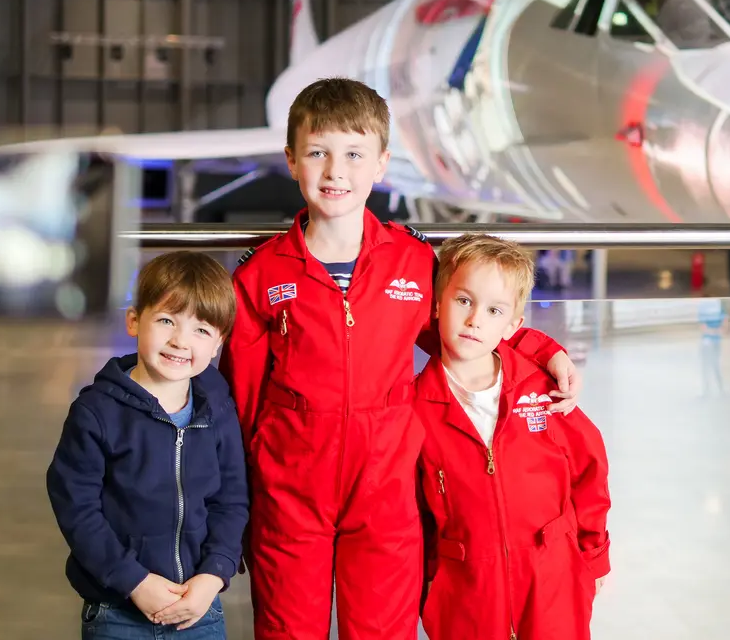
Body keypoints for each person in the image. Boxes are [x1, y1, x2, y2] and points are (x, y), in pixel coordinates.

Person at [219, 77, 581, 640]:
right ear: (292, 160)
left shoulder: (413, 263)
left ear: (382, 164)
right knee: (289, 630)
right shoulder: (261, 274)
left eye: (354, 155)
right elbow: (238, 398)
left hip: (386, 489)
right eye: (318, 153)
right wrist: (239, 502)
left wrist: (543, 348)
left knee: (383, 630)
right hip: (289, 489)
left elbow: (466, 332)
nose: (336, 172)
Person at [413, 233, 611, 640]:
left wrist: (593, 556)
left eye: (494, 310)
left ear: (512, 325)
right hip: (464, 588)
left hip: (553, 575)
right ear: (436, 305)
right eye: (463, 301)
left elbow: (589, 469)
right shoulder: (415, 407)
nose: (475, 320)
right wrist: (427, 581)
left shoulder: (542, 391)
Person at [46, 251, 249, 639]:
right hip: (118, 612)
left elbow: (232, 499)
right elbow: (78, 509)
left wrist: (213, 575)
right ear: (134, 320)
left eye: (201, 330)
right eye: (167, 320)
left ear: (219, 343)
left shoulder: (217, 406)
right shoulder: (96, 412)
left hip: (199, 608)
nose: (180, 341)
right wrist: (134, 581)